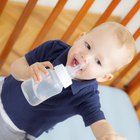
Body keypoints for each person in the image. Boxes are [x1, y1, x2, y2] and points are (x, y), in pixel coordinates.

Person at [0, 22, 136, 140]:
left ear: (103, 77)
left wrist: (108, 135)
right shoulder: (52, 48)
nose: (86, 57)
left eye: (98, 61)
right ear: (80, 38)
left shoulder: (87, 95)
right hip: (2, 90)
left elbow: (99, 122)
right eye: (88, 46)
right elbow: (15, 67)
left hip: (16, 129)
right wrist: (26, 72)